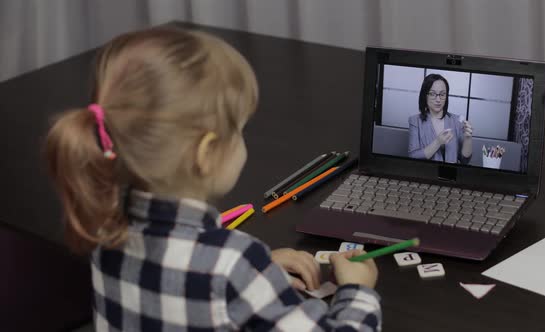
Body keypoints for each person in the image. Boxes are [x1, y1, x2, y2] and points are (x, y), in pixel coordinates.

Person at [44, 28, 381, 331]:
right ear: (205, 154)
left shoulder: (104, 228)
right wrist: (358, 291)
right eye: (239, 130)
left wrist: (258, 273)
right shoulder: (232, 264)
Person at [408, 74, 473, 164]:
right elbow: (413, 156)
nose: (438, 99)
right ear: (425, 95)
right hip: (424, 173)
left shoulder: (456, 121)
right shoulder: (415, 121)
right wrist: (438, 142)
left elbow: (464, 160)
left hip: (450, 175)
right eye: (432, 94)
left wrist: (468, 139)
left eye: (442, 94)